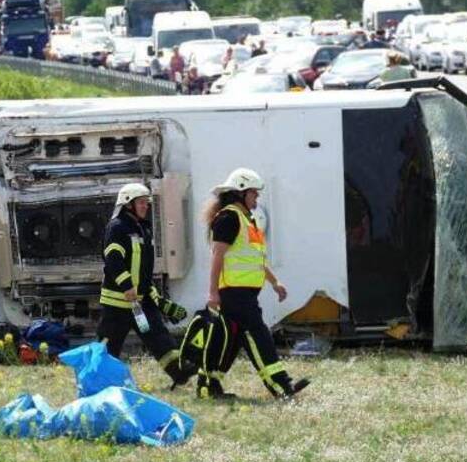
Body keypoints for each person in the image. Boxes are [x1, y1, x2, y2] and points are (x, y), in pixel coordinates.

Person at [199, 168, 310, 399]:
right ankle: (282, 386)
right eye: (254, 194)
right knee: (258, 334)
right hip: (233, 292)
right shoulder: (229, 218)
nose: (257, 198)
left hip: (244, 293)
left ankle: (208, 386)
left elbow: (255, 259)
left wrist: (275, 282)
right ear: (241, 192)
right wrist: (212, 292)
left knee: (227, 342)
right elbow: (217, 256)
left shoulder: (247, 221)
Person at [98, 183, 196, 387]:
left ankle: (178, 371)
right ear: (127, 204)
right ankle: (99, 382)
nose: (146, 207)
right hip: (118, 302)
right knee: (108, 347)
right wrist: (126, 286)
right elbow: (113, 259)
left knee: (158, 336)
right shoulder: (117, 228)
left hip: (140, 302)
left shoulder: (143, 229)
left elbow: (143, 270)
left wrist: (157, 299)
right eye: (141, 203)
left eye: (146, 203)